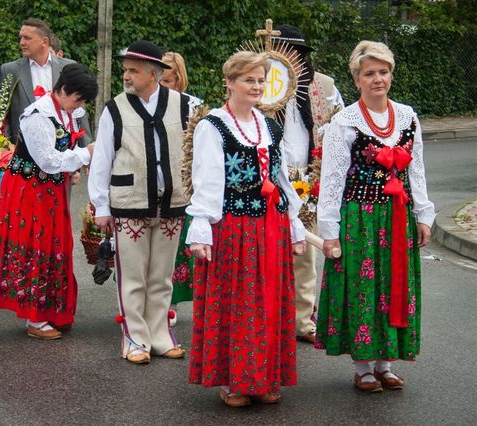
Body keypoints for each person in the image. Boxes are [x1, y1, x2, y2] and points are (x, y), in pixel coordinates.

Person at [186, 51, 307, 407]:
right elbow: (207, 180)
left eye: (260, 80)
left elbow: (280, 177)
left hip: (272, 225)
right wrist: (202, 227)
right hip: (235, 228)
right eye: (248, 80)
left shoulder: (270, 126)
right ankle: (237, 380)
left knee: (270, 301)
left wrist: (295, 222)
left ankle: (267, 375)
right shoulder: (213, 125)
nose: (256, 86)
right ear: (230, 82)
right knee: (239, 304)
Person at [315, 41, 435, 392]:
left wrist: (423, 214)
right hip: (360, 219)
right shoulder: (344, 122)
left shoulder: (408, 116)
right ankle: (363, 367)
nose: (378, 79)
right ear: (357, 79)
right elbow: (333, 180)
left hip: (398, 217)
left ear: (391, 75)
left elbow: (418, 171)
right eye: (369, 73)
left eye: (383, 72)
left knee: (396, 283)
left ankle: (386, 363)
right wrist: (330, 230)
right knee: (364, 287)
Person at [89, 40, 191, 364]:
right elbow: (102, 159)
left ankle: (160, 334)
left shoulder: (185, 105)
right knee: (133, 276)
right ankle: (135, 338)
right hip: (129, 201)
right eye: (126, 70)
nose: (126, 75)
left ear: (154, 74)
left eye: (133, 70)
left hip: (173, 202)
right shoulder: (114, 109)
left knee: (162, 276)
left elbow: (197, 154)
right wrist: (101, 206)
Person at [0, 63, 97, 339]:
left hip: (49, 189)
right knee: (37, 246)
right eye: (78, 99)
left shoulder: (65, 111)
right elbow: (48, 160)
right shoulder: (38, 115)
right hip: (29, 190)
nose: (80, 105)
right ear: (63, 90)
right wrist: (85, 155)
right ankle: (35, 320)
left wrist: (74, 164)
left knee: (55, 244)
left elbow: (63, 151)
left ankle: (52, 310)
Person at [271, 25, 345, 344]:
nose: (289, 60)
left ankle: (302, 319)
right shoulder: (263, 86)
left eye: (293, 54)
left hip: (310, 175)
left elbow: (339, 126)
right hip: (271, 177)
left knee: (304, 253)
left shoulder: (324, 85)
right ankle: (270, 316)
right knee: (269, 252)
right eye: (281, 53)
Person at [160, 51, 202, 326]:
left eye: (168, 81)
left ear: (179, 80)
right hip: (156, 177)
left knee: (179, 243)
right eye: (161, 80)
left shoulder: (192, 106)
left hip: (183, 178)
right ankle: (153, 300)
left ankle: (171, 301)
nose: (164, 86)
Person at [0, 18, 91, 146]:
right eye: (21, 37)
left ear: (44, 41)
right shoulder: (10, 70)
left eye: (27, 38)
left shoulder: (68, 66)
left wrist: (86, 148)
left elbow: (79, 109)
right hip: (24, 151)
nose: (22, 42)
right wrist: (7, 146)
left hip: (64, 151)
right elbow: (4, 116)